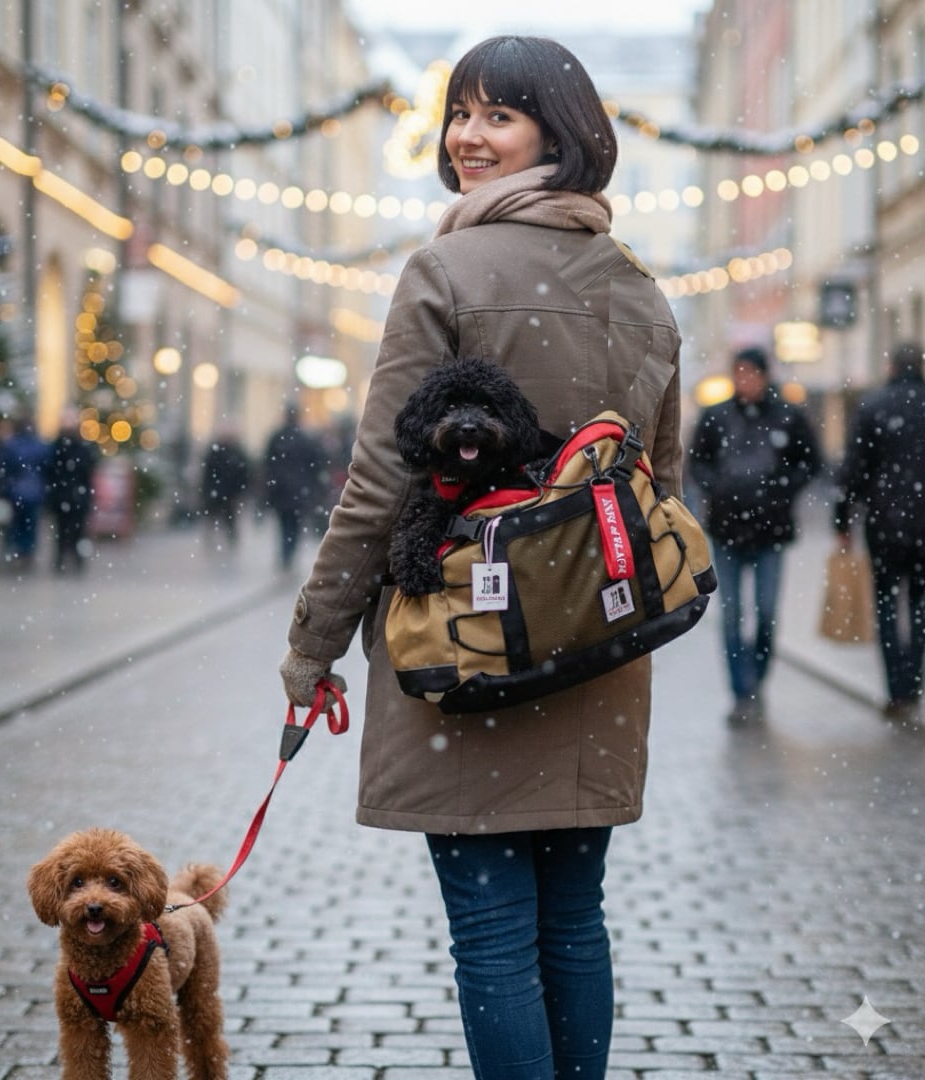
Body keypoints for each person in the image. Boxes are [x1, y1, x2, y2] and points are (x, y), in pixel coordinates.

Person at [277, 36, 683, 1080]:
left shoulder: (445, 268)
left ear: (562, 131)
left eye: (499, 114)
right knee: (572, 922)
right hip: (595, 643)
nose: (467, 135)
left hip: (464, 644)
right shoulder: (638, 286)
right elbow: (657, 485)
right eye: (459, 113)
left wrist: (311, 650)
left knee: (495, 935)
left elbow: (377, 487)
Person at [688, 345, 820, 725]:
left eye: (750, 373)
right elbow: (698, 461)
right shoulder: (716, 417)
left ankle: (757, 680)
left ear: (764, 375)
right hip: (727, 530)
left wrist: (782, 489)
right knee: (731, 616)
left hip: (770, 531)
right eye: (738, 373)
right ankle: (740, 692)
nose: (744, 380)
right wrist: (716, 487)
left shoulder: (787, 416)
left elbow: (811, 462)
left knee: (766, 614)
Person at [833, 341, 925, 719]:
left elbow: (853, 469)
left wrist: (842, 520)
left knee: (886, 604)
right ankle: (913, 680)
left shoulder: (872, 406)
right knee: (919, 604)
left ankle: (896, 690)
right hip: (923, 523)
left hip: (884, 522)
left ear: (890, 367)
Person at [261, 404, 327, 570]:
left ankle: (286, 554)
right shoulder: (303, 438)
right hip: (297, 491)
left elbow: (268, 464)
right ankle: (288, 553)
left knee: (285, 524)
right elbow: (315, 465)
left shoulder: (277, 437)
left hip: (283, 490)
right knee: (294, 525)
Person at [43, 410, 99, 574]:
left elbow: (87, 472)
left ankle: (72, 560)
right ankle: (65, 560)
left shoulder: (73, 448)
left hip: (72, 497)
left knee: (75, 530)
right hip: (67, 497)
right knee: (65, 530)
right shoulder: (60, 447)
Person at [0, 417, 49, 569]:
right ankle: (27, 552)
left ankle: (15, 550)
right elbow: (46, 467)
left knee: (15, 523)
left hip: (15, 491)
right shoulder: (40, 446)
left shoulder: (11, 445)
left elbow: (2, 468)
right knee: (30, 524)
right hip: (34, 491)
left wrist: (4, 488)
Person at [199, 429, 252, 546]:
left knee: (228, 517)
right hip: (219, 490)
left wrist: (240, 490)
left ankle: (229, 538)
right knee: (216, 516)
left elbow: (244, 474)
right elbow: (207, 473)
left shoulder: (236, 453)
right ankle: (222, 538)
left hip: (228, 491)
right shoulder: (220, 452)